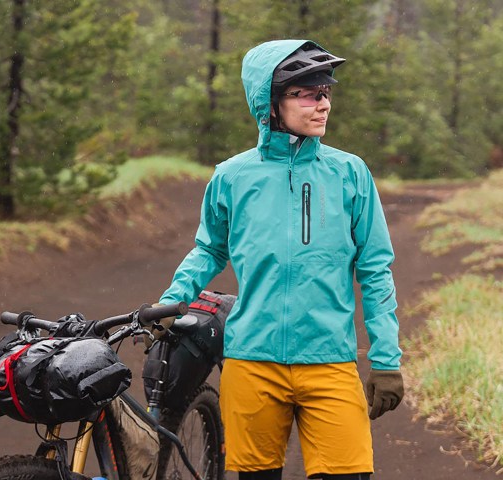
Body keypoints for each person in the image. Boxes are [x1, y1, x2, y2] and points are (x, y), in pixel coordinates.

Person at [155, 39, 404, 480]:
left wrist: (385, 359)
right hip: (252, 362)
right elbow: (210, 249)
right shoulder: (232, 176)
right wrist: (172, 302)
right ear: (269, 103)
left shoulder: (350, 173)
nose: (323, 104)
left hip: (329, 361)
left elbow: (375, 269)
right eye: (308, 94)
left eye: (325, 93)